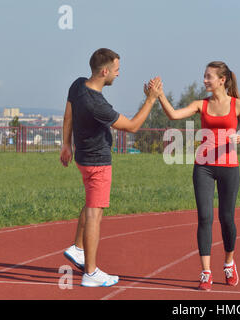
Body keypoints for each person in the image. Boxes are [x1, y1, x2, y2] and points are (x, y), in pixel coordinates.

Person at [147, 61, 240, 291]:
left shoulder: (237, 105)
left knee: (227, 219)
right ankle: (206, 271)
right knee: (205, 218)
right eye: (204, 76)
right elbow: (173, 115)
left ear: (222, 80)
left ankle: (228, 263)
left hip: (229, 167)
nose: (205, 80)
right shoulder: (201, 104)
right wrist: (159, 96)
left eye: (209, 77)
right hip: (203, 167)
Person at [60, 48, 162, 287]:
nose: (118, 74)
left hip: (83, 159)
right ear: (104, 71)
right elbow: (133, 126)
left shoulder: (77, 85)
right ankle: (91, 272)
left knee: (89, 204)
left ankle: (77, 248)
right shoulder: (98, 105)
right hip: (98, 163)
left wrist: (66, 144)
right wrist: (151, 99)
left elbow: (68, 117)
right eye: (116, 70)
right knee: (95, 213)